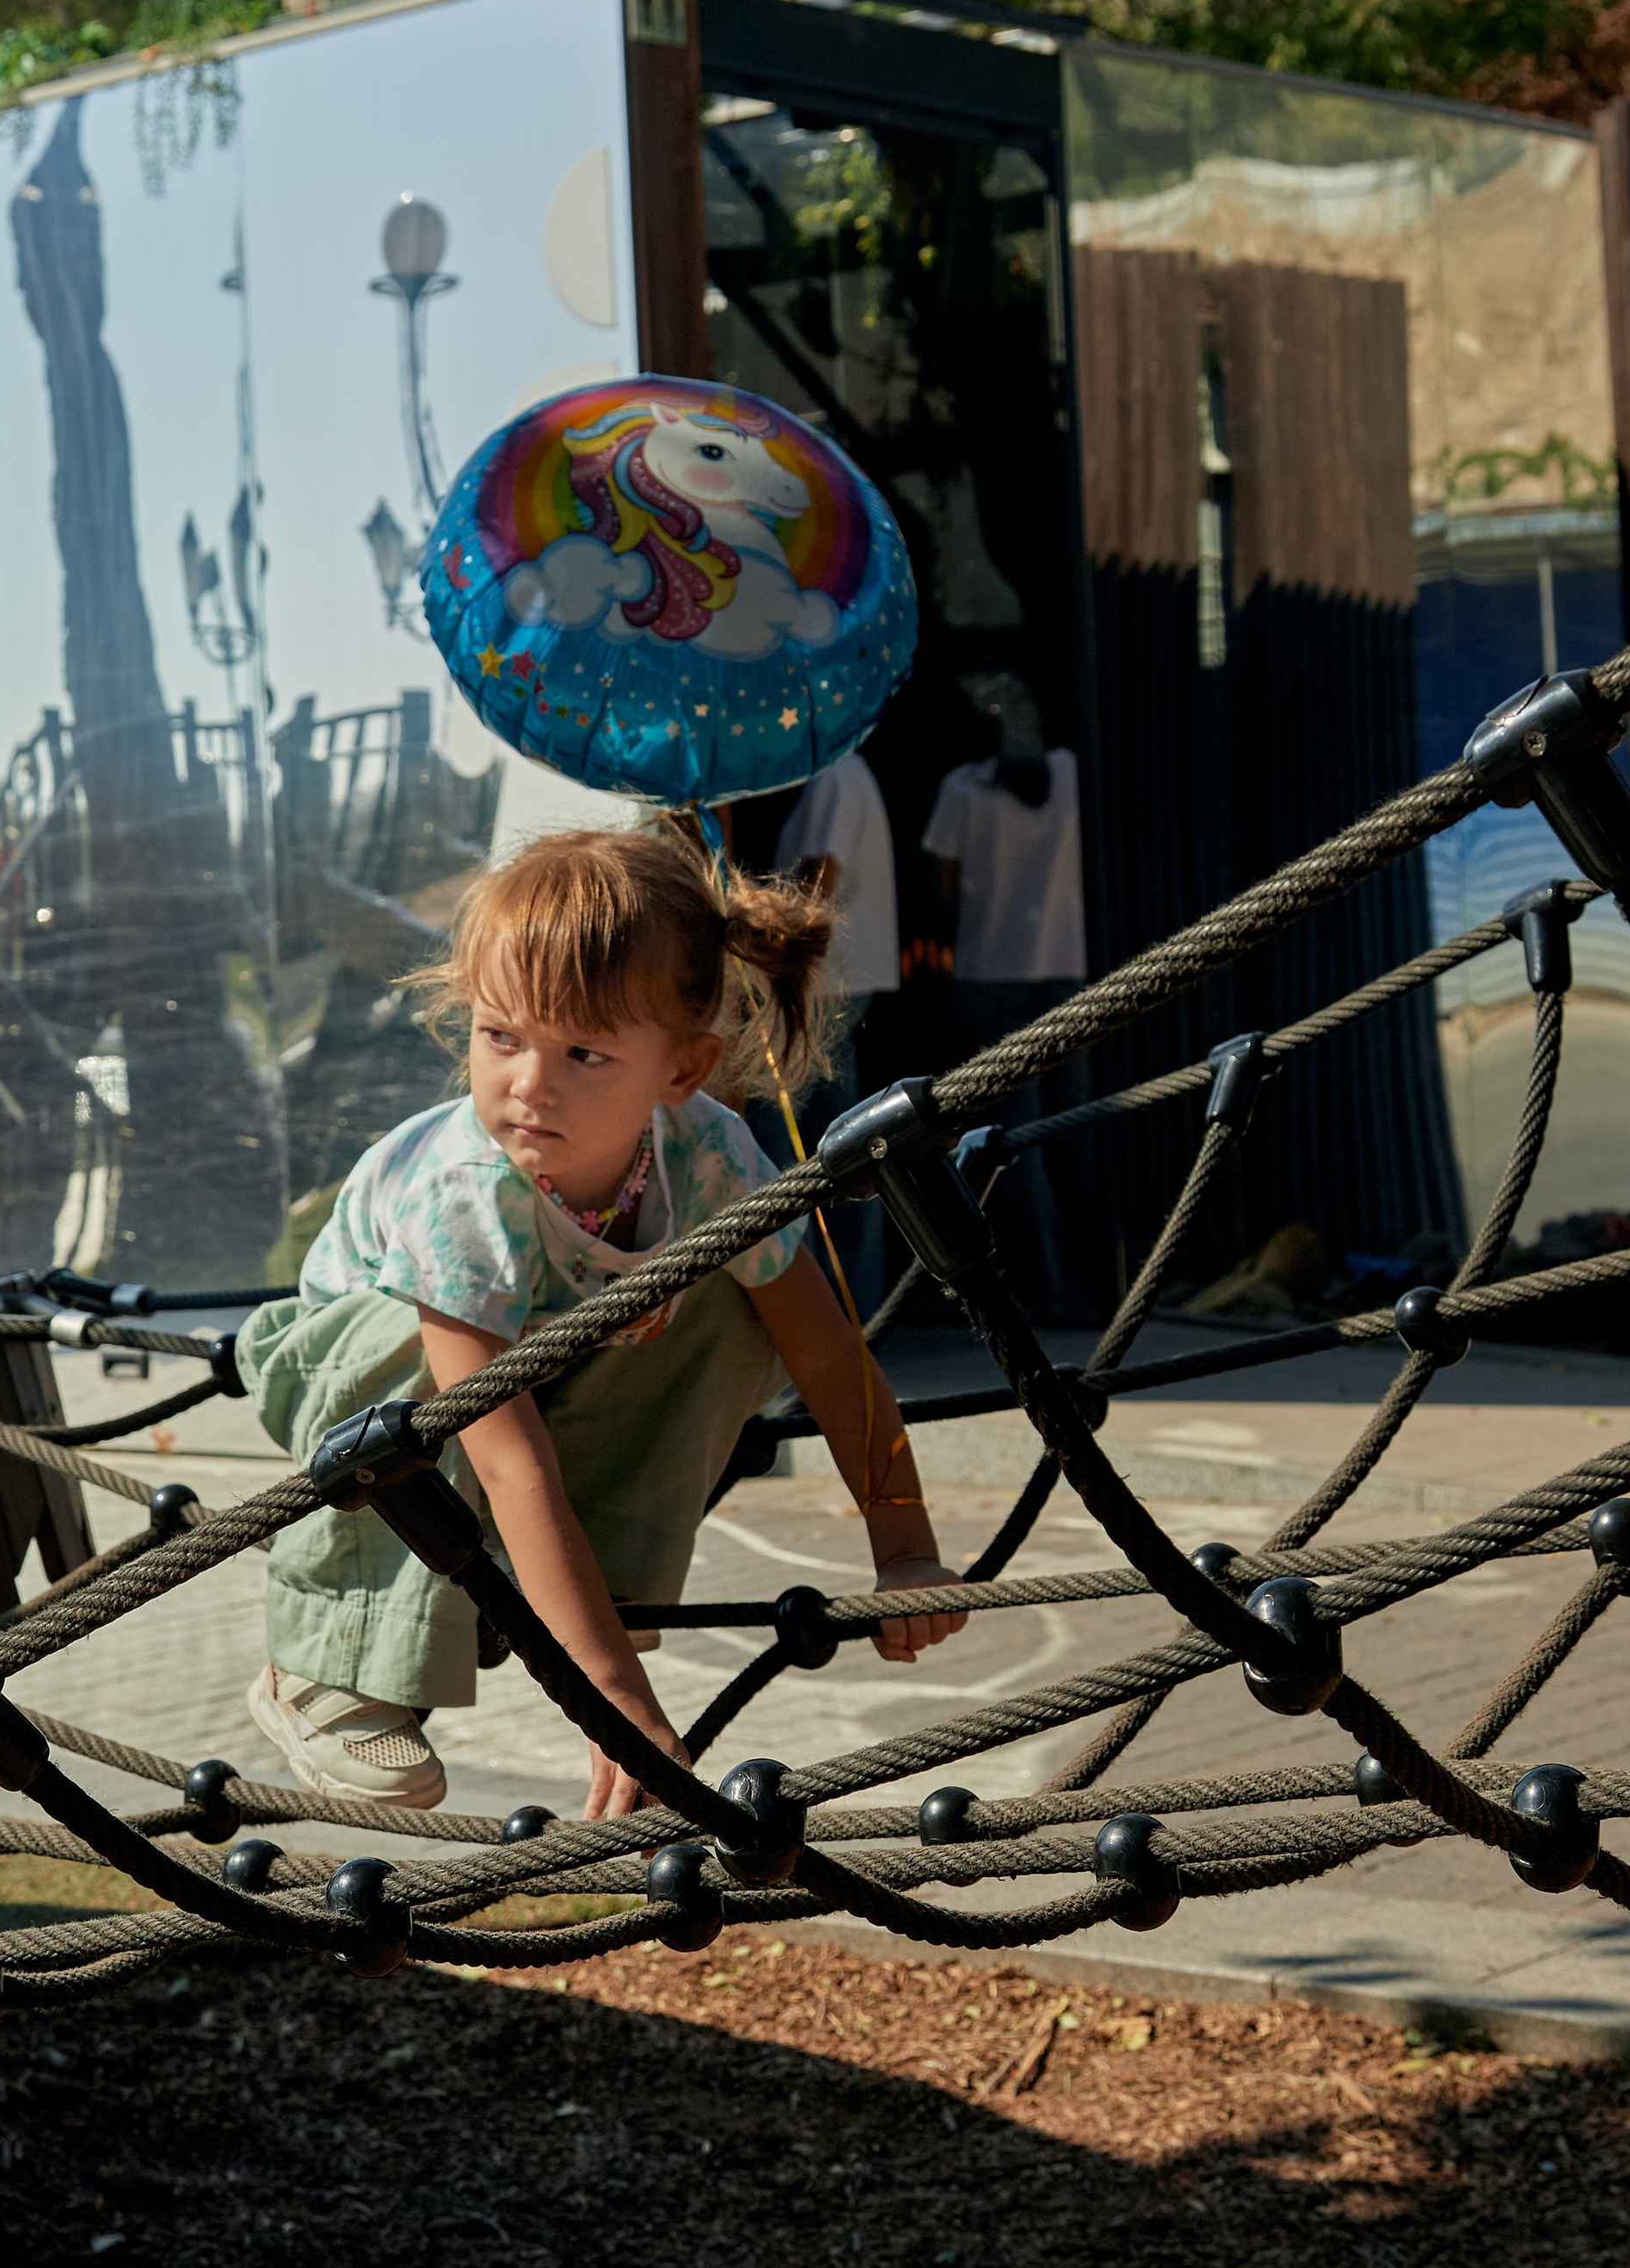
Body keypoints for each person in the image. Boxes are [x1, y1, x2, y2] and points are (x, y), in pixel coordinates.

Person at [234, 823, 965, 1821]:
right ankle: (333, 1664)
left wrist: (905, 1545)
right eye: (502, 1037)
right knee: (427, 1361)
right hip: (353, 1377)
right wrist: (612, 1703)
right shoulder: (465, 1193)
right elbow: (507, 1460)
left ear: (679, 1071)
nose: (528, 1086)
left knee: (738, 1304)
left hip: (549, 1358)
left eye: (582, 1052)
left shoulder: (708, 1156)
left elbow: (830, 1357)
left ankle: (600, 1590)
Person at [921, 677, 1089, 1314]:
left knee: (1015, 1136)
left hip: (989, 970)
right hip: (1064, 966)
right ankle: (1094, 1270)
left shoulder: (962, 789)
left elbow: (942, 888)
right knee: (1077, 1121)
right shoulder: (1071, 773)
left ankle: (1040, 1282)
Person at [767, 747, 899, 1310]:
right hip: (835, 980)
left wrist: (766, 939)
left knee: (794, 1139)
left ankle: (831, 1302)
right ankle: (850, 1304)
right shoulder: (845, 775)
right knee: (841, 1141)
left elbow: (821, 874)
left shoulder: (835, 777)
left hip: (827, 983)